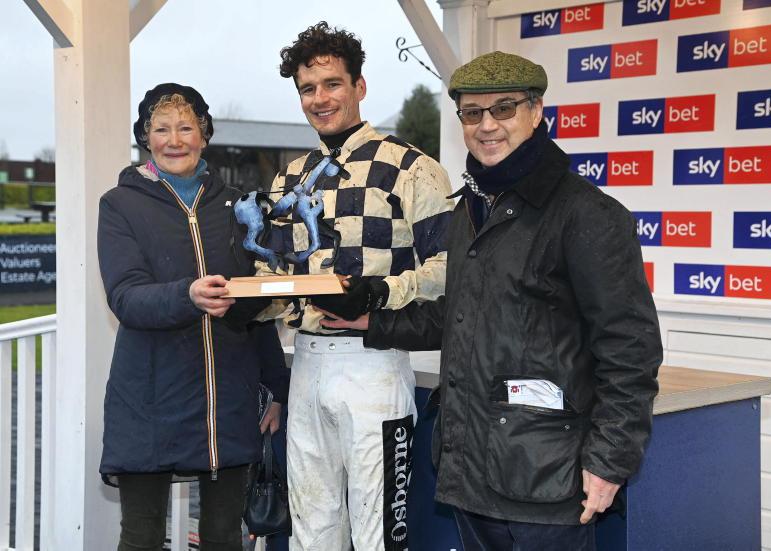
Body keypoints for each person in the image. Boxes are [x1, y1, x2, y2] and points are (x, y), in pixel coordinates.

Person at [320, 51, 663, 551]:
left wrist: (610, 462)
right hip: (471, 471)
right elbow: (458, 314)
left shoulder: (587, 214)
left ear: (536, 111)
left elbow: (631, 351)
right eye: (472, 113)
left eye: (504, 109)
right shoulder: (472, 209)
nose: (487, 126)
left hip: (548, 480)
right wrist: (372, 323)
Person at [255, 22, 454, 551]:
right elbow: (273, 275)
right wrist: (241, 300)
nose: (320, 98)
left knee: (378, 534)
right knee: (311, 531)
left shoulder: (412, 167)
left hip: (375, 363)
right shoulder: (288, 179)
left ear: (359, 86)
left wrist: (379, 292)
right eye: (307, 88)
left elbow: (450, 268)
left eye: (332, 84)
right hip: (305, 364)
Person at [97, 83, 287, 551]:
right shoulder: (119, 204)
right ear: (145, 137)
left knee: (224, 536)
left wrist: (276, 390)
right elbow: (125, 297)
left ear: (204, 135)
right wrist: (188, 296)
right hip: (149, 400)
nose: (174, 140)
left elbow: (256, 308)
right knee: (141, 538)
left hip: (228, 401)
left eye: (186, 128)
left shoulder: (239, 206)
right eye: (161, 129)